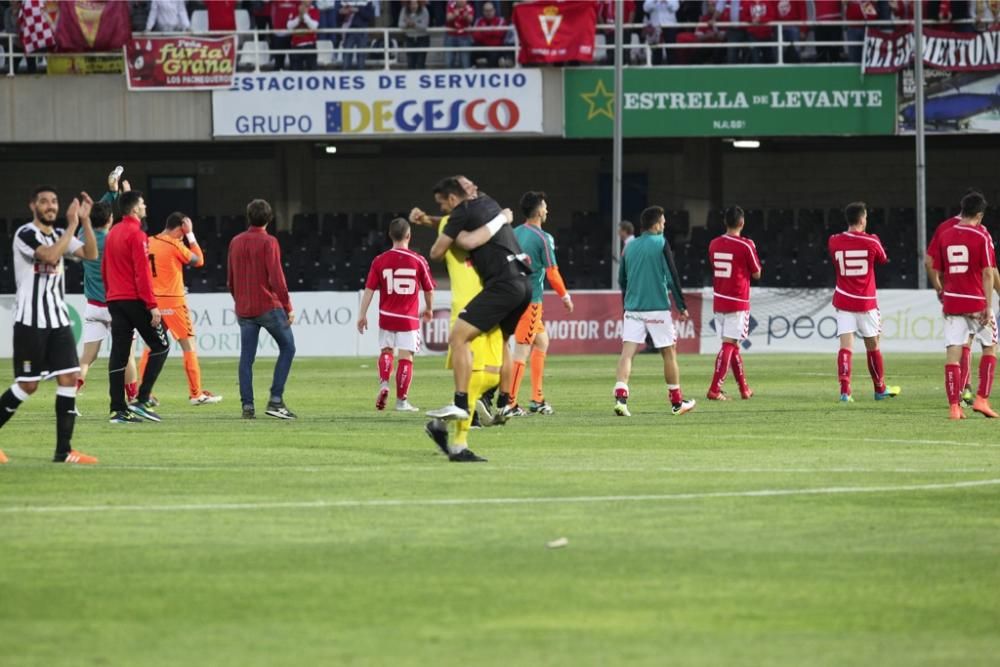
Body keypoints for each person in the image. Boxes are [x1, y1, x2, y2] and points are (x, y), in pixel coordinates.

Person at [425, 176, 527, 462]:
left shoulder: (475, 216)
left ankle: (455, 419)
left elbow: (457, 232)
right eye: (467, 186)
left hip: (493, 298)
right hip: (477, 302)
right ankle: (459, 440)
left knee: (487, 373)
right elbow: (450, 235)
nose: (473, 188)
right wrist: (501, 220)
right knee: (481, 375)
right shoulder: (461, 221)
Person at [0, 187, 98, 465]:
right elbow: (50, 256)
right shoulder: (25, 234)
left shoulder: (59, 234)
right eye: (44, 202)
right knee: (28, 385)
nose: (50, 206)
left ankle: (64, 452)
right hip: (30, 321)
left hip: (58, 320)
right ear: (33, 206)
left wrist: (86, 221)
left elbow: (90, 253)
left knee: (69, 378)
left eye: (54, 201)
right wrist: (72, 225)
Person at [409, 177, 504, 451]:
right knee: (474, 373)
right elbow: (445, 235)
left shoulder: (477, 226)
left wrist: (426, 218)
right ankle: (462, 433)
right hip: (467, 309)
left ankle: (461, 413)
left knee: (492, 376)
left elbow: (446, 221)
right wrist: (426, 219)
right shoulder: (458, 229)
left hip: (491, 304)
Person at [613, 206, 695, 417]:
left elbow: (621, 279)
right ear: (656, 224)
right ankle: (677, 403)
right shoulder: (660, 243)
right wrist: (682, 305)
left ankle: (621, 398)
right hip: (657, 308)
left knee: (627, 353)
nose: (665, 224)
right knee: (669, 353)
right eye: (663, 221)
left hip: (633, 308)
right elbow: (672, 276)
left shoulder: (629, 247)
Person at [925, 190, 1000, 407]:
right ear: (980, 215)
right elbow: (990, 270)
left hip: (952, 299)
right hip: (976, 297)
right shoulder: (982, 233)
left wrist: (940, 289)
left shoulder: (944, 231)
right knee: (987, 344)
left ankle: (958, 400)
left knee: (957, 346)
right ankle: (980, 398)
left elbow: (929, 263)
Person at [139, 212, 222, 406]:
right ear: (181, 227)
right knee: (188, 346)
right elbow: (199, 260)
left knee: (151, 347)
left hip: (152, 303)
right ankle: (196, 394)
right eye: (184, 231)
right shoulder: (175, 244)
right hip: (173, 302)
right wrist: (191, 235)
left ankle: (143, 393)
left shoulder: (148, 241)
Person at [102, 190, 171, 424]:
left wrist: (111, 294)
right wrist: (151, 305)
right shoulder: (137, 234)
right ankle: (141, 400)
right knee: (161, 345)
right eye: (142, 204)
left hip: (114, 299)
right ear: (134, 209)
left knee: (119, 355)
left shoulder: (112, 233)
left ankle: (117, 409)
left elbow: (105, 268)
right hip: (134, 299)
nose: (145, 207)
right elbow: (142, 273)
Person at [227, 199, 297, 420]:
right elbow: (277, 278)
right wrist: (288, 306)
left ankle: (247, 406)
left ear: (248, 217)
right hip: (268, 306)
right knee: (288, 347)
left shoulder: (235, 242)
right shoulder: (270, 242)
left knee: (246, 358)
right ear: (269, 219)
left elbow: (230, 280)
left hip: (244, 309)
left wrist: (239, 301)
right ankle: (276, 400)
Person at [357, 218, 435, 412]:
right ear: (409, 235)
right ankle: (401, 402)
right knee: (406, 358)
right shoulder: (419, 260)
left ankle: (384, 384)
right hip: (408, 319)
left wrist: (362, 314)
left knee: (386, 351)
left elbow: (369, 290)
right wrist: (429, 308)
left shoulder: (379, 260)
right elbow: (429, 290)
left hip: (387, 315)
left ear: (390, 235)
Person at [827, 202, 901, 403]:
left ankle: (845, 392)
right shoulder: (872, 241)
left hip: (843, 300)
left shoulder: (834, 240)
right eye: (866, 217)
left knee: (845, 347)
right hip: (866, 303)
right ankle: (879, 389)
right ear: (862, 219)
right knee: (873, 345)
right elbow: (883, 259)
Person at [77, 171, 139, 400]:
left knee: (87, 358)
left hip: (93, 306)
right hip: (117, 305)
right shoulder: (115, 239)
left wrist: (110, 192)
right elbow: (129, 226)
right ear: (111, 220)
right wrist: (124, 196)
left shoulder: (84, 236)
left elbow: (97, 214)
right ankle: (133, 399)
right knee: (128, 356)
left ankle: (68, 398)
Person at [510, 191, 573, 415]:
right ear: (538, 211)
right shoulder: (543, 238)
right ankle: (509, 404)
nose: (547, 210)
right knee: (521, 351)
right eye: (545, 206)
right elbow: (552, 273)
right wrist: (565, 296)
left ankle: (537, 399)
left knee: (542, 341)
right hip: (530, 300)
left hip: (513, 297)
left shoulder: (514, 233)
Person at [706, 206, 760, 401]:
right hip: (737, 300)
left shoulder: (713, 244)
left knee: (732, 344)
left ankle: (744, 389)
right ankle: (714, 388)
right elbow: (756, 273)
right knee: (729, 344)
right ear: (742, 223)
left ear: (725, 222)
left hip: (719, 299)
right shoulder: (745, 245)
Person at [336, 0, 375, 70]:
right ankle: (345, 74)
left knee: (361, 57)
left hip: (362, 30)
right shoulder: (344, 1)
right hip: (348, 31)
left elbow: (370, 16)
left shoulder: (367, 2)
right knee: (346, 55)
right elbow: (338, 17)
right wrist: (343, 13)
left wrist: (358, 10)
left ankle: (361, 73)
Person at [471, 2, 507, 68]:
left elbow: (500, 33)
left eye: (490, 10)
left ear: (494, 10)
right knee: (474, 46)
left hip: (496, 48)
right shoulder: (478, 21)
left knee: (494, 54)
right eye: (486, 11)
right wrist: (491, 31)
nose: (488, 12)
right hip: (483, 47)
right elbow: (475, 36)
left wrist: (484, 31)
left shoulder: (501, 20)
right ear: (483, 12)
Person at [288, 0, 320, 71]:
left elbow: (314, 27)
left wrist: (305, 15)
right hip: (296, 46)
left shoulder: (314, 10)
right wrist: (299, 18)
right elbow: (289, 26)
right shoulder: (294, 10)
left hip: (310, 45)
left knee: (312, 71)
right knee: (295, 71)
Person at [398, 0, 430, 70]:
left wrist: (414, 24)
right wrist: (407, 25)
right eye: (411, 4)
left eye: (415, 4)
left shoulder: (424, 10)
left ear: (418, 4)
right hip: (409, 39)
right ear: (409, 4)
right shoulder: (404, 10)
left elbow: (424, 26)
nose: (413, 6)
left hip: (422, 39)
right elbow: (400, 24)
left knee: (420, 63)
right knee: (410, 63)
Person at [445, 0, 474, 68]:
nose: (461, 1)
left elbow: (471, 20)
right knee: (449, 62)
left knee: (465, 62)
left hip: (464, 36)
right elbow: (448, 18)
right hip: (451, 35)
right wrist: (454, 15)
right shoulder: (451, 6)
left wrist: (466, 17)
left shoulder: (469, 8)